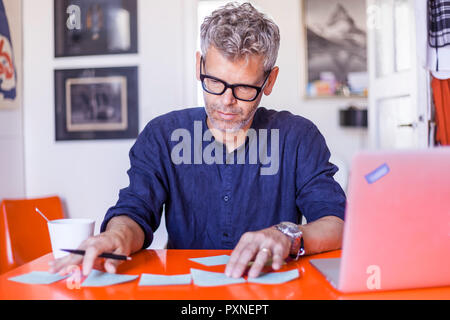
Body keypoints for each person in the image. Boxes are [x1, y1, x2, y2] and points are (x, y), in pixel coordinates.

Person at [50, 2, 346, 279]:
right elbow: (135, 211)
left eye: (244, 88)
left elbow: (338, 224)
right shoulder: (162, 135)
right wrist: (117, 236)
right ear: (199, 67)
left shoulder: (299, 137)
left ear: (269, 81)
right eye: (215, 82)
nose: (226, 101)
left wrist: (287, 235)